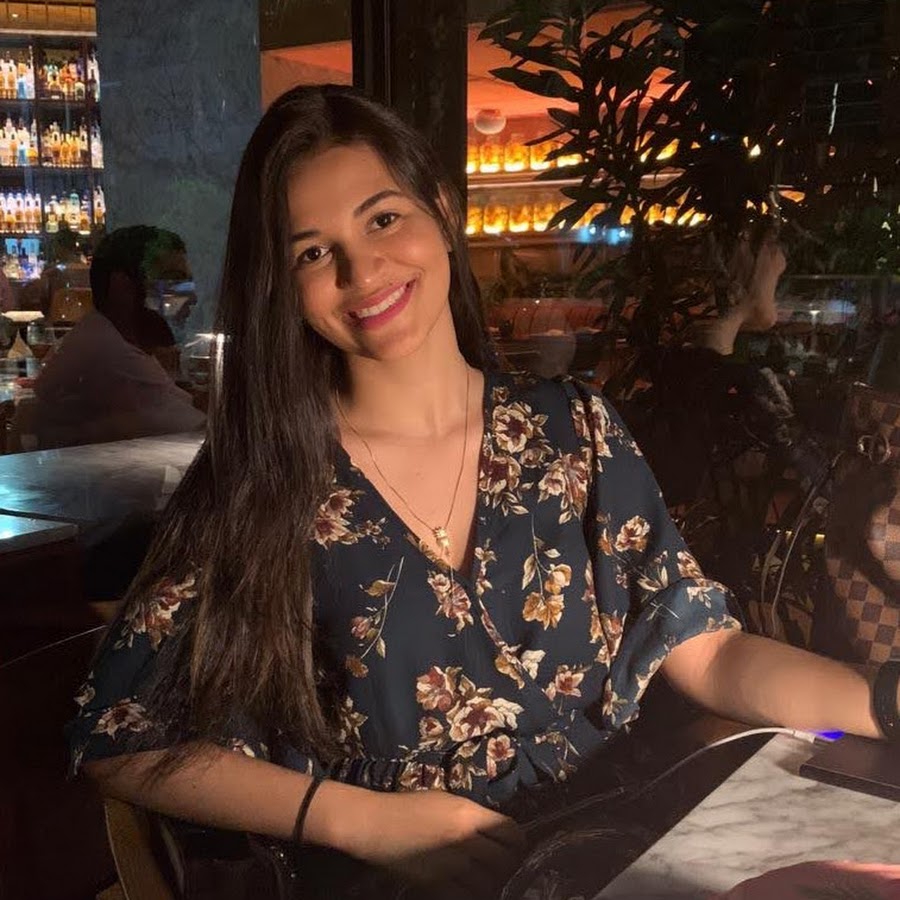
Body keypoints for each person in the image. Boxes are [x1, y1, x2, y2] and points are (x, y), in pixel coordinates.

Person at [67, 86, 900, 899]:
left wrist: (886, 700)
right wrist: (363, 822)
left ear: (441, 210)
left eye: (382, 219)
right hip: (395, 878)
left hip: (609, 851)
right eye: (313, 253)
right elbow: (117, 737)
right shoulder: (262, 475)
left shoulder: (573, 429)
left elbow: (705, 649)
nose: (361, 270)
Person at [21, 226, 206, 449]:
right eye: (173, 281)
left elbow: (177, 403)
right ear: (123, 286)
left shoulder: (102, 333)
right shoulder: (109, 354)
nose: (192, 297)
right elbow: (204, 435)